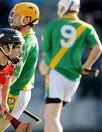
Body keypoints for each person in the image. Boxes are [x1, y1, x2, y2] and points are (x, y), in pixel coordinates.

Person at [38, 0, 102, 132]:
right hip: (74, 78)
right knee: (51, 116)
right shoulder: (86, 27)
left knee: (52, 118)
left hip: (56, 75)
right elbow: (98, 47)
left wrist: (43, 67)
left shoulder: (53, 25)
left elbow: (46, 55)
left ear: (62, 7)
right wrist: (87, 65)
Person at [0, 2, 40, 131]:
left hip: (13, 93)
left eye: (17, 16)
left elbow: (13, 75)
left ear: (27, 19)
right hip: (10, 91)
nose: (13, 18)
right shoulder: (21, 38)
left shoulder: (25, 43)